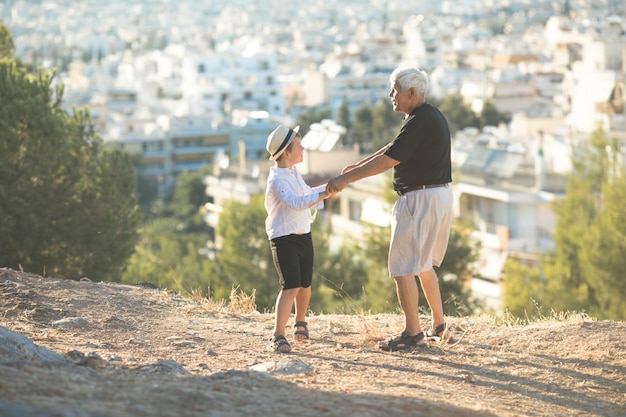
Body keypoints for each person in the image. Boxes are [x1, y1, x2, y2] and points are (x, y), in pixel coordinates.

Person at [327, 67, 453, 352]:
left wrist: (345, 179)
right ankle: (439, 324)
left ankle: (412, 333)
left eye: (394, 90)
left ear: (411, 93)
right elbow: (392, 147)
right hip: (439, 195)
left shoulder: (420, 120)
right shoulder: (427, 116)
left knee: (401, 268)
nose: (390, 95)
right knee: (422, 265)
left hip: (420, 198)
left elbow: (390, 159)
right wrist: (356, 167)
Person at [264, 124, 334, 353]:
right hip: (284, 239)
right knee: (290, 286)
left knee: (305, 284)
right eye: (299, 145)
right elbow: (295, 203)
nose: (303, 148)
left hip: (304, 235)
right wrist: (324, 193)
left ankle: (300, 322)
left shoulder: (293, 173)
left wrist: (333, 185)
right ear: (286, 152)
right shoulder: (277, 180)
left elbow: (307, 194)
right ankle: (278, 335)